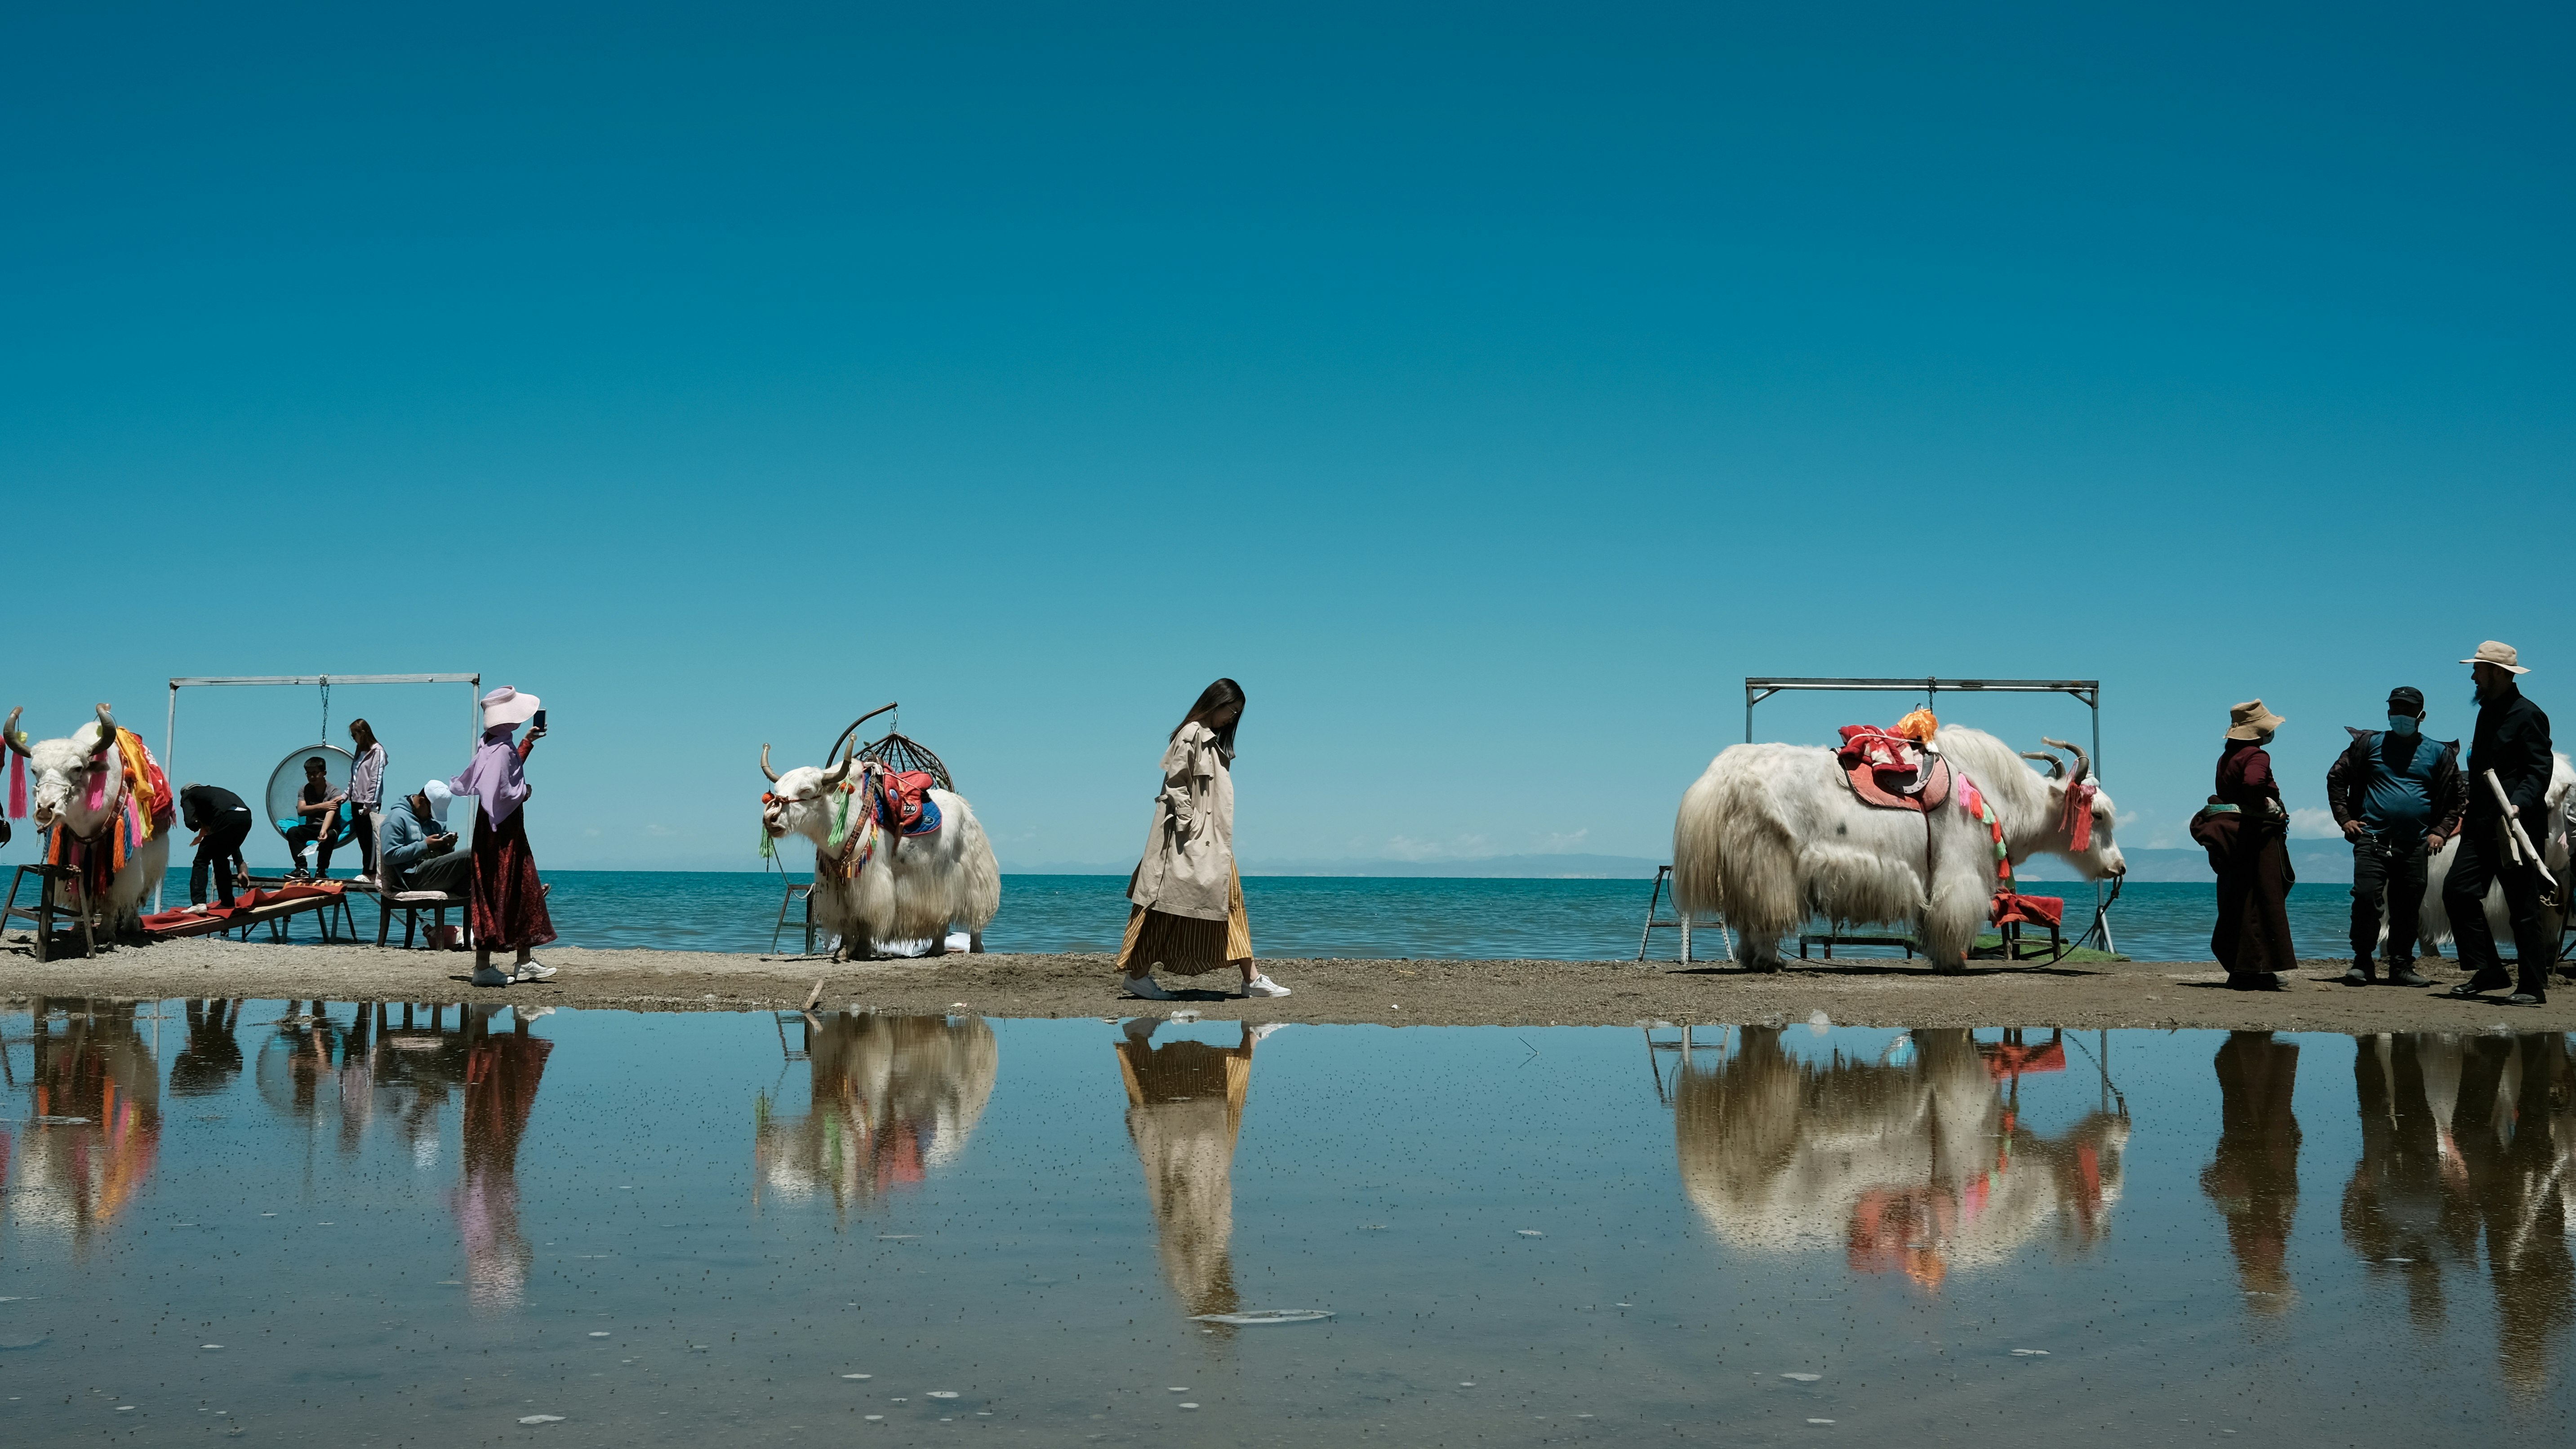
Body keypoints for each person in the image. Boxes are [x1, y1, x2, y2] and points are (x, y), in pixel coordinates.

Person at [1117, 679, 1290, 1001]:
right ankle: (1139, 976)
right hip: (1191, 841)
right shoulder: (1192, 734)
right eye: (1231, 710)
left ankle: (1249, 978)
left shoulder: (1209, 741)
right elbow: (1175, 784)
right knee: (1166, 908)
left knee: (1225, 905)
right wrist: (1190, 825)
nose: (1233, 718)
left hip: (1209, 843)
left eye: (1237, 713)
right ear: (1216, 703)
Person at [2326, 687, 2464, 987]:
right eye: (2395, 710)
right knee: (2365, 900)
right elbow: (2336, 778)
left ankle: (2400, 966)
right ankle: (2362, 962)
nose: (2400, 716)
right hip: (2372, 838)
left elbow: (2456, 798)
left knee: (2407, 907)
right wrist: (2345, 819)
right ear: (2388, 713)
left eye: (2407, 711)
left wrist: (2440, 832)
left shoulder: (2438, 753)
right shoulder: (2368, 745)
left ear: (2421, 716)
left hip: (2415, 844)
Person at [2441, 641, 2554, 1006]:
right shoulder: (2486, 711)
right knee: (2457, 891)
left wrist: (2519, 803)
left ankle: (2532, 987)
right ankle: (2489, 970)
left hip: (2515, 826)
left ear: (2499, 673)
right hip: (2480, 823)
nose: (2473, 675)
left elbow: (2539, 769)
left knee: (2522, 908)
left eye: (2478, 669)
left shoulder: (2528, 714)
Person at [450, 687, 558, 987]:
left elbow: (501, 774)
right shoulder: (500, 750)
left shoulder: (490, 745)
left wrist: (527, 744)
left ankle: (514, 962)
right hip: (504, 834)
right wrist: (525, 792)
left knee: (502, 891)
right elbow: (504, 790)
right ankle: (497, 966)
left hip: (492, 830)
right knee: (515, 889)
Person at [2211, 700, 2298, 989]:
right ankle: (2253, 971)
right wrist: (2266, 807)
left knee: (2239, 900)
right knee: (2262, 899)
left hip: (2236, 838)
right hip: (2257, 838)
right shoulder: (2257, 756)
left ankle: (2246, 968)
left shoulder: (2227, 757)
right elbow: (2252, 784)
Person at [382, 779, 471, 895]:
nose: (432, 817)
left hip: (432, 873)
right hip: (413, 877)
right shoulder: (397, 818)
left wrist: (448, 847)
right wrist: (425, 845)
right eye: (431, 812)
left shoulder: (435, 824)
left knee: (477, 879)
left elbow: (443, 858)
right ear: (422, 801)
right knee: (470, 855)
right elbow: (389, 856)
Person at [178, 780, 255, 907]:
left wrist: (199, 825)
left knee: (201, 860)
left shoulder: (188, 794)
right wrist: (241, 868)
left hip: (226, 817)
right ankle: (227, 903)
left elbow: (190, 822)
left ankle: (199, 903)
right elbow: (232, 844)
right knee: (220, 857)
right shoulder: (212, 795)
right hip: (246, 817)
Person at [283, 755, 347, 882]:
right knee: (293, 832)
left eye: (315, 773)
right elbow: (301, 810)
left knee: (330, 835)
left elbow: (331, 812)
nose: (311, 777)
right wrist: (322, 806)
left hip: (330, 826)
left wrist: (324, 830)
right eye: (308, 774)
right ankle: (302, 869)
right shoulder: (305, 789)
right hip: (311, 827)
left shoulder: (334, 791)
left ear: (324, 773)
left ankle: (321, 871)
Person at [346, 718, 387, 886]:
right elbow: (355, 778)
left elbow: (375, 779)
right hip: (356, 800)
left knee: (370, 838)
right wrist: (344, 796)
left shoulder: (377, 752)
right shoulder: (359, 752)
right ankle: (368, 870)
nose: (353, 738)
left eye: (355, 734)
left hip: (369, 803)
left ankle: (371, 872)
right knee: (362, 838)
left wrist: (369, 804)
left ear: (363, 733)